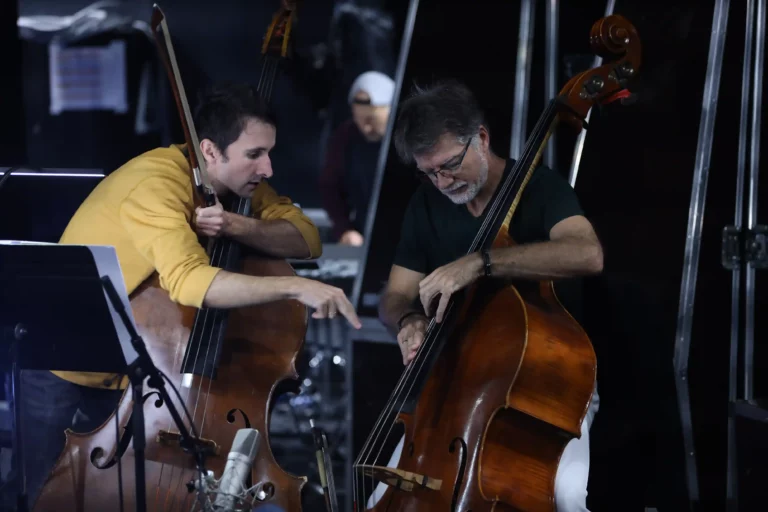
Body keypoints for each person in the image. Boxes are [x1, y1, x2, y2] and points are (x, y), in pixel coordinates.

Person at [3, 82, 361, 510]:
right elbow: (192, 283)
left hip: (128, 360)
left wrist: (235, 224)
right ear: (210, 151)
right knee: (37, 488)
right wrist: (296, 286)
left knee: (112, 492)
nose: (267, 168)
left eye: (269, 152)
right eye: (254, 154)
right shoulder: (156, 183)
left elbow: (306, 239)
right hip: (60, 355)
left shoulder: (235, 186)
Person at [372, 80, 604, 511]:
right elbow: (396, 294)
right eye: (429, 172)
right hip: (456, 382)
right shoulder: (426, 202)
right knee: (388, 497)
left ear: (480, 137)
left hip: (545, 383)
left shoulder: (540, 188)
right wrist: (408, 320)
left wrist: (481, 262)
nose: (442, 182)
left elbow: (587, 254)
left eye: (449, 165)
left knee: (568, 497)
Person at [319, 70, 394, 246]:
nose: (366, 129)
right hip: (363, 232)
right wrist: (345, 229)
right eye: (359, 119)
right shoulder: (346, 136)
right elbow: (330, 186)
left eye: (371, 120)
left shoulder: (409, 138)